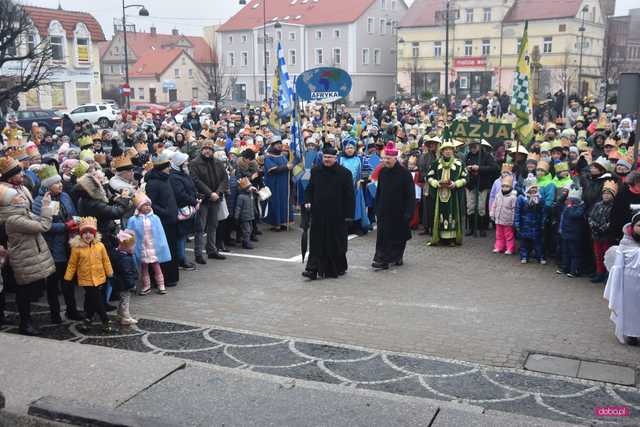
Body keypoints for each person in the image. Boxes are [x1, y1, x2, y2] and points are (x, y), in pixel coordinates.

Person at [0, 185, 55, 336]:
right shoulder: (13, 219)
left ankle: (27, 321)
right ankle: (25, 324)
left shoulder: (19, 212)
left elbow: (37, 219)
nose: (22, 197)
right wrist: (45, 206)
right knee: (23, 292)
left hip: (28, 256)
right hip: (24, 258)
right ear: (9, 202)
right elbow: (43, 225)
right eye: (17, 197)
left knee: (27, 290)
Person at [32, 165, 82, 322]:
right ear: (48, 186)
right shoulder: (39, 202)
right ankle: (54, 313)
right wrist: (65, 226)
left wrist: (76, 223)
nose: (60, 185)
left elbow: (73, 214)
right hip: (53, 247)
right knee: (54, 283)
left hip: (69, 244)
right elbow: (43, 226)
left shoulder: (65, 196)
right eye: (56, 183)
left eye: (60, 182)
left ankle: (71, 310)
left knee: (69, 281)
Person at [302, 143, 355, 280]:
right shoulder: (316, 171)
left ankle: (336, 267)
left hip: (337, 215)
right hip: (318, 214)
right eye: (325, 157)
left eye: (330, 157)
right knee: (316, 242)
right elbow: (309, 189)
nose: (327, 159)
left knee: (335, 243)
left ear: (335, 158)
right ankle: (312, 269)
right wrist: (307, 200)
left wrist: (349, 215)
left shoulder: (345, 173)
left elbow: (350, 196)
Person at [64, 217, 113, 333]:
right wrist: (67, 278)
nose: (87, 235)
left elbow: (106, 260)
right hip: (86, 278)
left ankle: (88, 320)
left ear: (94, 234)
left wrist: (109, 272)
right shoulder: (77, 248)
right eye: (84, 233)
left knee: (92, 300)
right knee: (97, 299)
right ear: (80, 234)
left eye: (90, 232)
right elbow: (72, 264)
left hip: (99, 277)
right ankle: (105, 319)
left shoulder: (100, 246)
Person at [371, 143, 415, 270]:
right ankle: (382, 259)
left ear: (395, 158)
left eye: (388, 159)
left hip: (399, 211)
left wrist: (408, 212)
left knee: (399, 236)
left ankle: (397, 257)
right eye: (384, 158)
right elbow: (379, 191)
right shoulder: (383, 172)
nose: (385, 161)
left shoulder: (404, 173)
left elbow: (410, 195)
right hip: (384, 210)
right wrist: (377, 208)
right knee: (383, 236)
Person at [603, 211, 640, 345]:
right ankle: (631, 334)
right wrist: (616, 288)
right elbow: (618, 268)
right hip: (630, 283)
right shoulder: (625, 245)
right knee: (631, 309)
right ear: (632, 227)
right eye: (639, 225)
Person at [190, 140, 229, 263]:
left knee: (213, 225)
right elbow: (196, 180)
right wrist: (210, 193)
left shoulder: (217, 162)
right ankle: (198, 254)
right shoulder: (195, 163)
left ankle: (212, 250)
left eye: (210, 149)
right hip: (203, 199)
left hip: (216, 198)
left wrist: (217, 193)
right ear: (202, 150)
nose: (207, 151)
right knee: (200, 227)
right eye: (205, 148)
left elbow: (224, 179)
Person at [144, 152, 179, 287]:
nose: (170, 169)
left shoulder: (166, 179)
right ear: (162, 168)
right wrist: (166, 212)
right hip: (162, 222)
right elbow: (151, 203)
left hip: (171, 220)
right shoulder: (153, 183)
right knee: (163, 250)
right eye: (167, 167)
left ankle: (171, 277)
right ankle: (163, 278)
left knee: (171, 249)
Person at [126, 192, 171, 295]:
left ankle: (161, 285)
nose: (147, 207)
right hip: (142, 248)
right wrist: (131, 247)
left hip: (153, 247)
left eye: (148, 205)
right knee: (144, 267)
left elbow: (160, 234)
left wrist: (161, 245)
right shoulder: (133, 220)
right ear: (139, 207)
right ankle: (146, 286)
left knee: (156, 265)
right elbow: (130, 234)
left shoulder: (155, 218)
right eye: (144, 205)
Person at [427, 140, 468, 246]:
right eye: (445, 150)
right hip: (439, 195)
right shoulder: (436, 164)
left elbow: (465, 177)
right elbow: (429, 176)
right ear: (442, 151)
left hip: (454, 195)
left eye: (450, 149)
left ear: (453, 151)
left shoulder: (459, 164)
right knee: (440, 214)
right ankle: (440, 237)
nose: (448, 152)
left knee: (453, 214)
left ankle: (452, 238)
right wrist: (436, 183)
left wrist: (455, 184)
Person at [168, 151, 197, 270]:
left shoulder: (183, 174)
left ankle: (181, 257)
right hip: (181, 210)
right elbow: (180, 195)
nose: (187, 164)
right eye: (185, 163)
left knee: (183, 235)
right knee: (181, 236)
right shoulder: (175, 177)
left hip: (186, 208)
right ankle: (181, 259)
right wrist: (193, 201)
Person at [464, 139, 498, 237]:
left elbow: (495, 168)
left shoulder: (486, 156)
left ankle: (482, 228)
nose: (473, 148)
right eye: (471, 146)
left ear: (479, 146)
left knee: (481, 208)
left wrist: (479, 168)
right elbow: (463, 168)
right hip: (470, 185)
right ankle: (471, 228)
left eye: (475, 146)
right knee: (470, 207)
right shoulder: (468, 156)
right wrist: (467, 168)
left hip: (482, 185)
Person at [588, 180, 618, 283]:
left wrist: (603, 228)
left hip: (607, 236)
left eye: (608, 193)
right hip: (596, 235)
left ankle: (607, 274)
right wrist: (594, 226)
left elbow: (613, 221)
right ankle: (599, 273)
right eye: (604, 193)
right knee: (598, 255)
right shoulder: (597, 205)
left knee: (607, 255)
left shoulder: (614, 207)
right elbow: (591, 217)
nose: (606, 195)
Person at [263, 136, 293, 231]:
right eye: (277, 144)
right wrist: (286, 167)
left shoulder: (283, 156)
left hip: (283, 184)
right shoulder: (268, 157)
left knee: (284, 201)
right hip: (274, 184)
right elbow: (272, 170)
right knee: (275, 202)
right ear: (272, 145)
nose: (280, 145)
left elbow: (288, 167)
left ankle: (284, 222)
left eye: (280, 144)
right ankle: (276, 223)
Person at [515, 175, 545, 264]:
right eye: (531, 188)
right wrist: (517, 223)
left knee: (538, 243)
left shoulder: (540, 198)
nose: (533, 190)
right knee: (524, 243)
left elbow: (542, 211)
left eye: (535, 188)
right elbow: (518, 211)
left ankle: (540, 257)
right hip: (525, 224)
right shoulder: (522, 198)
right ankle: (524, 256)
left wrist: (543, 222)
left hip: (536, 224)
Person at [557, 187, 586, 277]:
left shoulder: (581, 206)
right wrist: (565, 194)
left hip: (574, 234)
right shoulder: (566, 206)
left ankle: (574, 270)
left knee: (574, 253)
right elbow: (559, 203)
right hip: (565, 232)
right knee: (565, 252)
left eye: (572, 199)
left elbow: (576, 215)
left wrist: (570, 207)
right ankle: (565, 268)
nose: (570, 201)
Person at [111, 230, 138, 325]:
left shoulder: (118, 254)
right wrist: (132, 285)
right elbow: (127, 274)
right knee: (125, 301)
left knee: (122, 299)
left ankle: (120, 314)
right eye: (133, 246)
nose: (134, 248)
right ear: (126, 247)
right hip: (124, 284)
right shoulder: (125, 258)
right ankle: (125, 317)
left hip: (120, 283)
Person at [490, 174, 517, 255]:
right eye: (503, 186)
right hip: (498, 219)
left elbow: (514, 209)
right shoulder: (498, 195)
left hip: (507, 220)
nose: (504, 188)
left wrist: (513, 220)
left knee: (509, 235)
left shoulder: (513, 197)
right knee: (499, 234)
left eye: (507, 186)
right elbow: (494, 205)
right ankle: (499, 246)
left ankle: (510, 248)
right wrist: (492, 213)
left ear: (511, 187)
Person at [234, 177, 257, 249]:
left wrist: (255, 211)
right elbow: (238, 207)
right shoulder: (241, 197)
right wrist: (236, 216)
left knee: (250, 229)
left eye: (250, 186)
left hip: (250, 216)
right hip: (244, 217)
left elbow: (253, 204)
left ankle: (244, 241)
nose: (250, 188)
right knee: (246, 230)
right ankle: (246, 243)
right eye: (248, 187)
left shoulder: (250, 195)